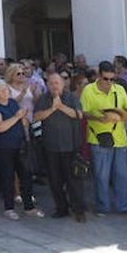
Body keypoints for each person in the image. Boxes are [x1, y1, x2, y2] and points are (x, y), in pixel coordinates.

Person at [80, 62, 127, 217]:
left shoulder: (119, 89)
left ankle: (123, 206)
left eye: (112, 79)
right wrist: (99, 117)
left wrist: (122, 114)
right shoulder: (89, 90)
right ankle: (102, 206)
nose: (109, 82)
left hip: (119, 138)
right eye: (106, 79)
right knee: (101, 175)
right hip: (98, 137)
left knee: (122, 174)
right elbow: (83, 112)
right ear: (99, 76)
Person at [32, 73, 86, 221]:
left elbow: (79, 115)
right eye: (51, 83)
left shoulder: (72, 97)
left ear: (63, 84)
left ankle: (79, 210)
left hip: (71, 146)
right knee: (55, 181)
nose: (54, 86)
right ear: (47, 85)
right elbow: (36, 117)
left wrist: (60, 106)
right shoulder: (43, 99)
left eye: (57, 83)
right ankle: (61, 208)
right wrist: (52, 109)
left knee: (73, 181)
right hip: (51, 147)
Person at [0, 79, 42, 220]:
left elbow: (22, 120)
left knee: (25, 175)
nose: (7, 92)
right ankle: (9, 207)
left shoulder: (12, 102)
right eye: (3, 90)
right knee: (7, 177)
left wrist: (23, 118)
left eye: (7, 89)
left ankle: (29, 207)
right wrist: (16, 117)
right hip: (3, 147)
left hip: (19, 145)